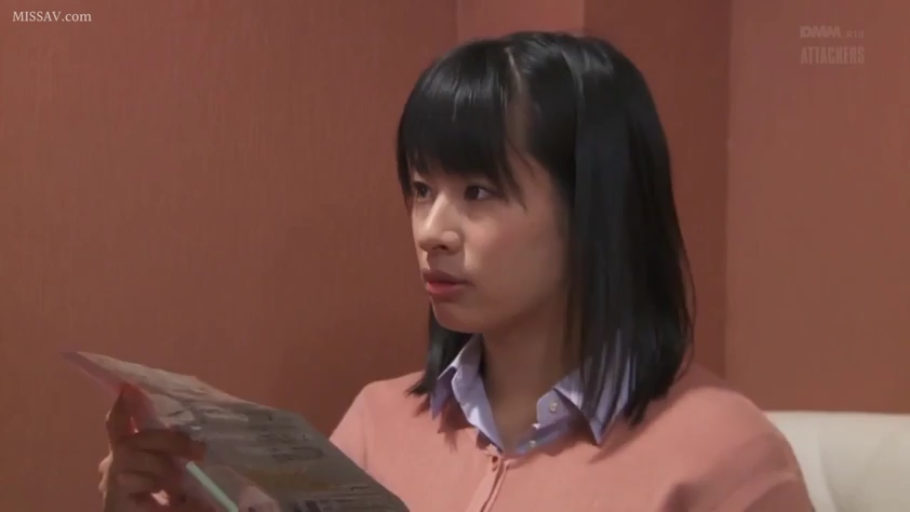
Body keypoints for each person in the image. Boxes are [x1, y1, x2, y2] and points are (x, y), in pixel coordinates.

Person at [98, 31, 814, 511]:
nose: (431, 231)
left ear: (596, 207)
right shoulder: (377, 423)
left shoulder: (724, 454)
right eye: (420, 189)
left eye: (478, 192)